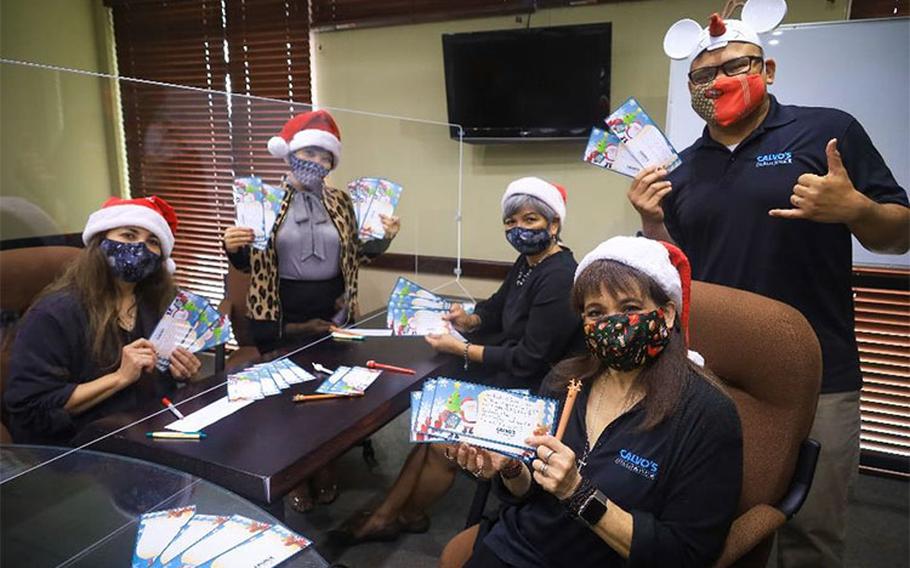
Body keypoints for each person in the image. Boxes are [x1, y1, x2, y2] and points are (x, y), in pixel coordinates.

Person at [628, 6, 910, 567]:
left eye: (737, 66)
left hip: (820, 373)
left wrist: (855, 208)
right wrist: (651, 220)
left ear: (769, 69)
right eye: (703, 76)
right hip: (713, 374)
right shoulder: (680, 167)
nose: (720, 82)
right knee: (722, 518)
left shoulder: (829, 130)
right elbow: (678, 271)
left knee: (811, 531)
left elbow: (897, 235)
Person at [440, 236, 743, 568]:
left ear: (667, 313)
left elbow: (685, 554)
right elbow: (530, 491)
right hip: (519, 546)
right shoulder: (564, 381)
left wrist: (578, 492)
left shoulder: (707, 414)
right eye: (595, 312)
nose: (612, 325)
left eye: (629, 309)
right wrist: (511, 467)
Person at [333, 177, 582, 544]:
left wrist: (460, 348)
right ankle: (392, 514)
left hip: (538, 400)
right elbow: (497, 308)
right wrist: (471, 320)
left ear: (554, 224)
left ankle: (400, 515)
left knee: (441, 445)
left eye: (529, 220)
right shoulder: (529, 262)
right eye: (511, 223)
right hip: (513, 381)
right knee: (433, 422)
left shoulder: (560, 276)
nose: (518, 230)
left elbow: (529, 359)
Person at [223, 109, 400, 513]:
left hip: (333, 308)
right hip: (280, 311)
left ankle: (325, 462)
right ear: (288, 153)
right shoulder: (262, 200)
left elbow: (358, 254)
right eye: (309, 153)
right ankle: (296, 471)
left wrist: (383, 239)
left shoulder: (341, 201)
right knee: (287, 398)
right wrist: (233, 245)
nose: (317, 163)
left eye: (325, 158)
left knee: (330, 394)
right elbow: (247, 262)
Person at [4, 196, 202, 446]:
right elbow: (31, 408)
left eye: (152, 241)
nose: (140, 248)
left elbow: (162, 388)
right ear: (100, 242)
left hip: (153, 435)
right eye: (129, 236)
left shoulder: (160, 304)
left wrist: (183, 373)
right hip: (84, 454)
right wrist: (120, 377)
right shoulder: (53, 314)